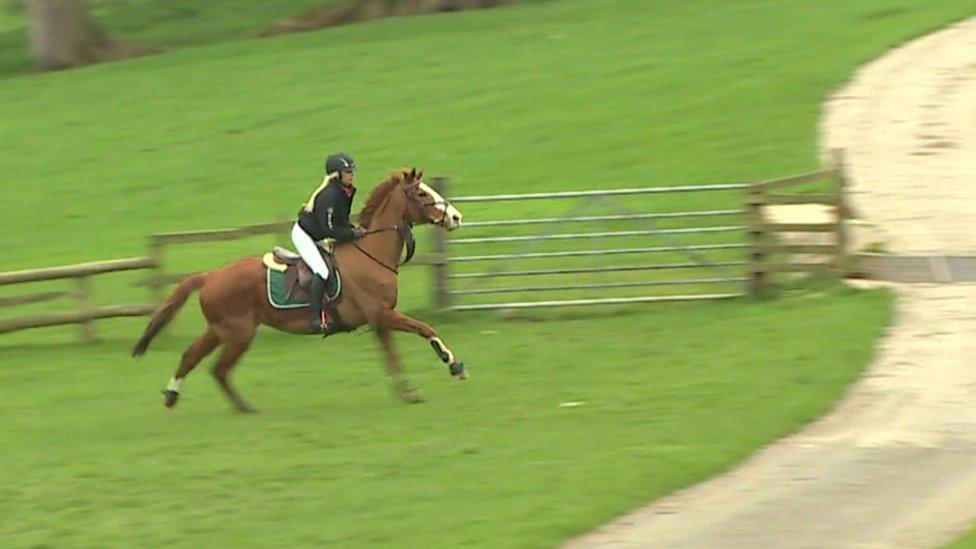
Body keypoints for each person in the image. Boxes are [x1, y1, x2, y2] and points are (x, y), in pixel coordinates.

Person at [292, 152, 365, 332]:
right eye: (348, 172)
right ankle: (315, 318)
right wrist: (352, 233)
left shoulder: (345, 192)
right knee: (322, 271)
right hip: (305, 235)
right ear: (337, 175)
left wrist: (354, 229)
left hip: (318, 234)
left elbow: (341, 220)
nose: (352, 175)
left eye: (352, 172)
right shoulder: (329, 195)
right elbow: (329, 230)